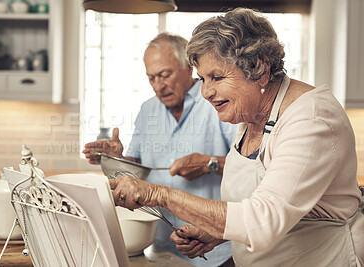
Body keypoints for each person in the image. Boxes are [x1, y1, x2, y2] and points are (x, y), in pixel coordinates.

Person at [108, 8, 364, 267]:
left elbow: (263, 221)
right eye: (203, 79)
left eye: (216, 77)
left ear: (261, 68)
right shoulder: (250, 115)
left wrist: (159, 195)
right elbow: (271, 202)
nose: (206, 92)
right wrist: (216, 232)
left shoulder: (311, 118)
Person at [83, 33, 236, 266]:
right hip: (161, 247)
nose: (158, 86)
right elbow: (136, 171)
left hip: (215, 251)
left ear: (188, 67)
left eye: (165, 75)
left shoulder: (218, 103)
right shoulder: (147, 110)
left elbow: (248, 170)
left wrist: (209, 164)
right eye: (151, 78)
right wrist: (116, 159)